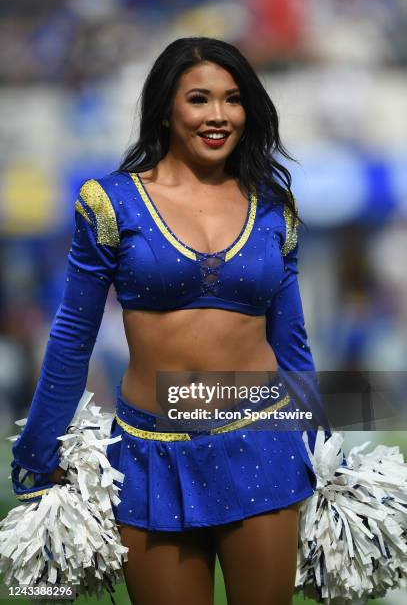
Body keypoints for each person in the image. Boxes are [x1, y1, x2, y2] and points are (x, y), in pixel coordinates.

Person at [11, 37, 327, 605]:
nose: (219, 116)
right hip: (148, 453)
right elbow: (73, 333)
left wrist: (322, 448)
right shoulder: (110, 201)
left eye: (232, 100)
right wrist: (39, 444)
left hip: (260, 442)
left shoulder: (274, 206)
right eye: (199, 99)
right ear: (165, 109)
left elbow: (292, 342)